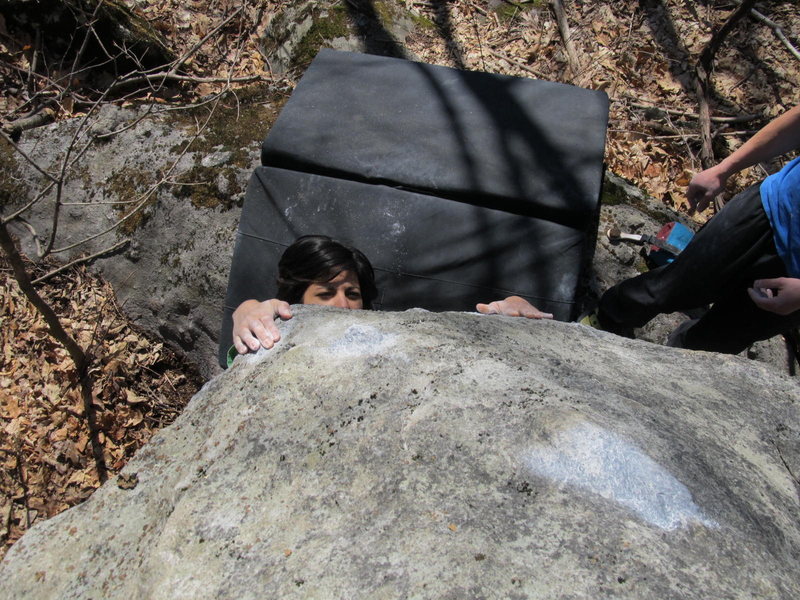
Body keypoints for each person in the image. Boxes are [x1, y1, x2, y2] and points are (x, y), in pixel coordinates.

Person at [595, 104, 800, 353]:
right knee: (672, 286)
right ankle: (605, 318)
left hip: (794, 276)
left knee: (716, 343)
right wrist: (724, 169)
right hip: (768, 209)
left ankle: (677, 358)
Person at [232, 234, 553, 357]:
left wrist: (506, 318)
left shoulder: (386, 338)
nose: (343, 306)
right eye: (326, 293)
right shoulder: (273, 336)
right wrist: (246, 311)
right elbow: (242, 348)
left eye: (352, 293)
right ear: (295, 300)